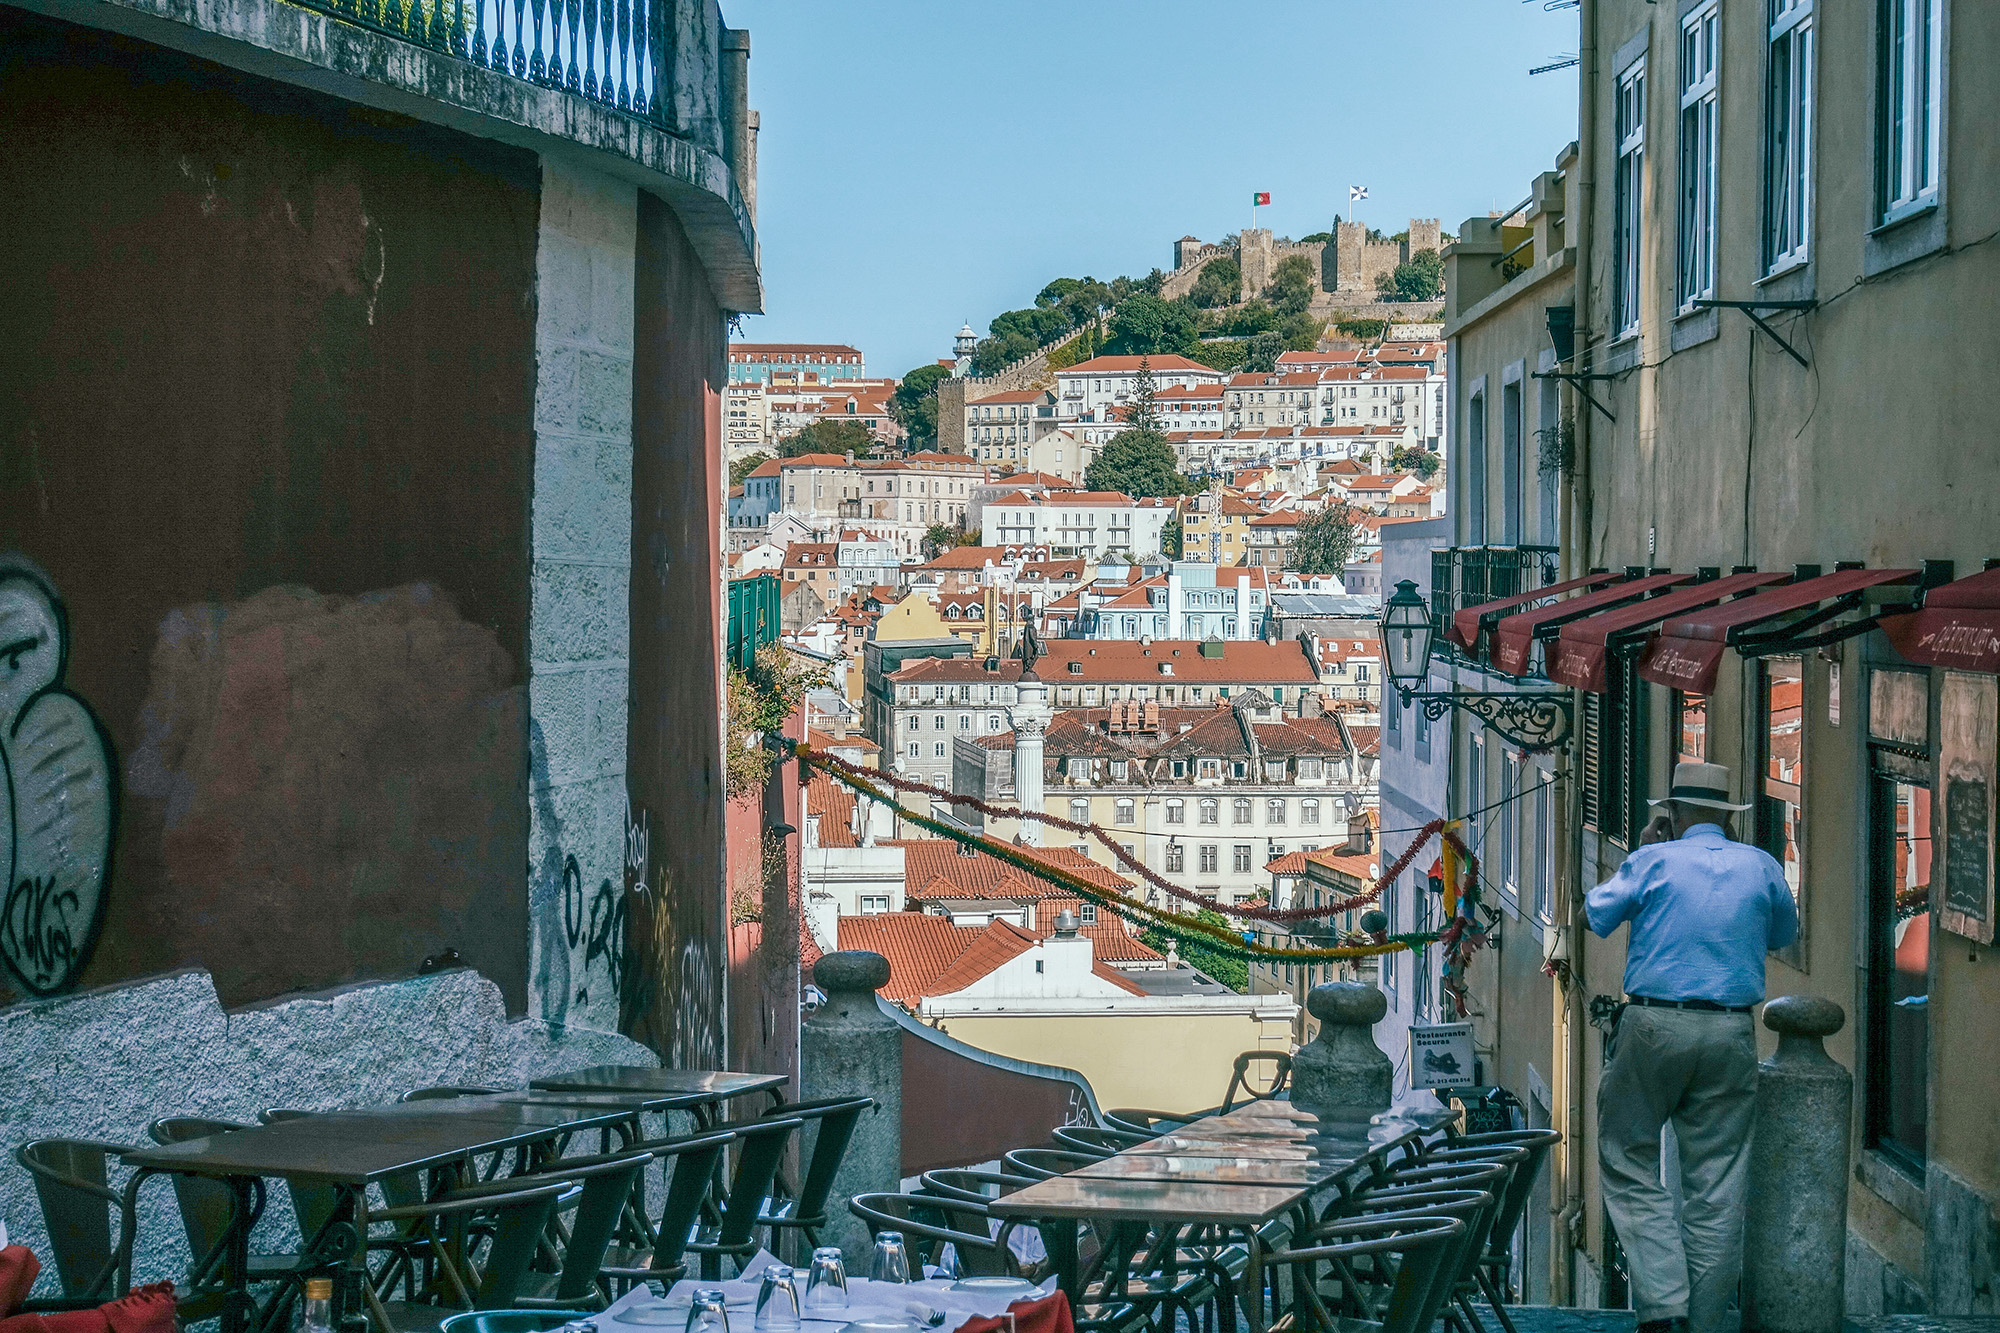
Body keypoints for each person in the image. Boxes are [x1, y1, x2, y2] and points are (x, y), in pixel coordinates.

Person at [1585, 760, 1799, 1333]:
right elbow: (1784, 934)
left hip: (1654, 1025)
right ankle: (1699, 1325)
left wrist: (1644, 850)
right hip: (1731, 1031)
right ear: (1727, 817)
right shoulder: (1762, 865)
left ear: (1672, 813)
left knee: (1627, 1157)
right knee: (1717, 1187)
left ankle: (1664, 1308)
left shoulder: (1653, 860)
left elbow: (1593, 915)